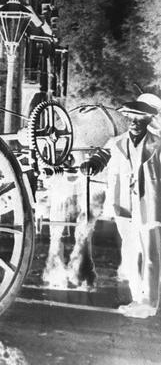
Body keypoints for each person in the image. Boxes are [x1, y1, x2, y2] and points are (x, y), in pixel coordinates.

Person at [81, 97, 161, 318]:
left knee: (151, 255)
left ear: (148, 120)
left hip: (151, 206)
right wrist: (90, 166)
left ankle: (149, 302)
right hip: (125, 206)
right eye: (131, 118)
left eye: (140, 119)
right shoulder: (116, 142)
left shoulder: (158, 144)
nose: (134, 123)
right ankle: (138, 299)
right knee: (129, 253)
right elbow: (101, 157)